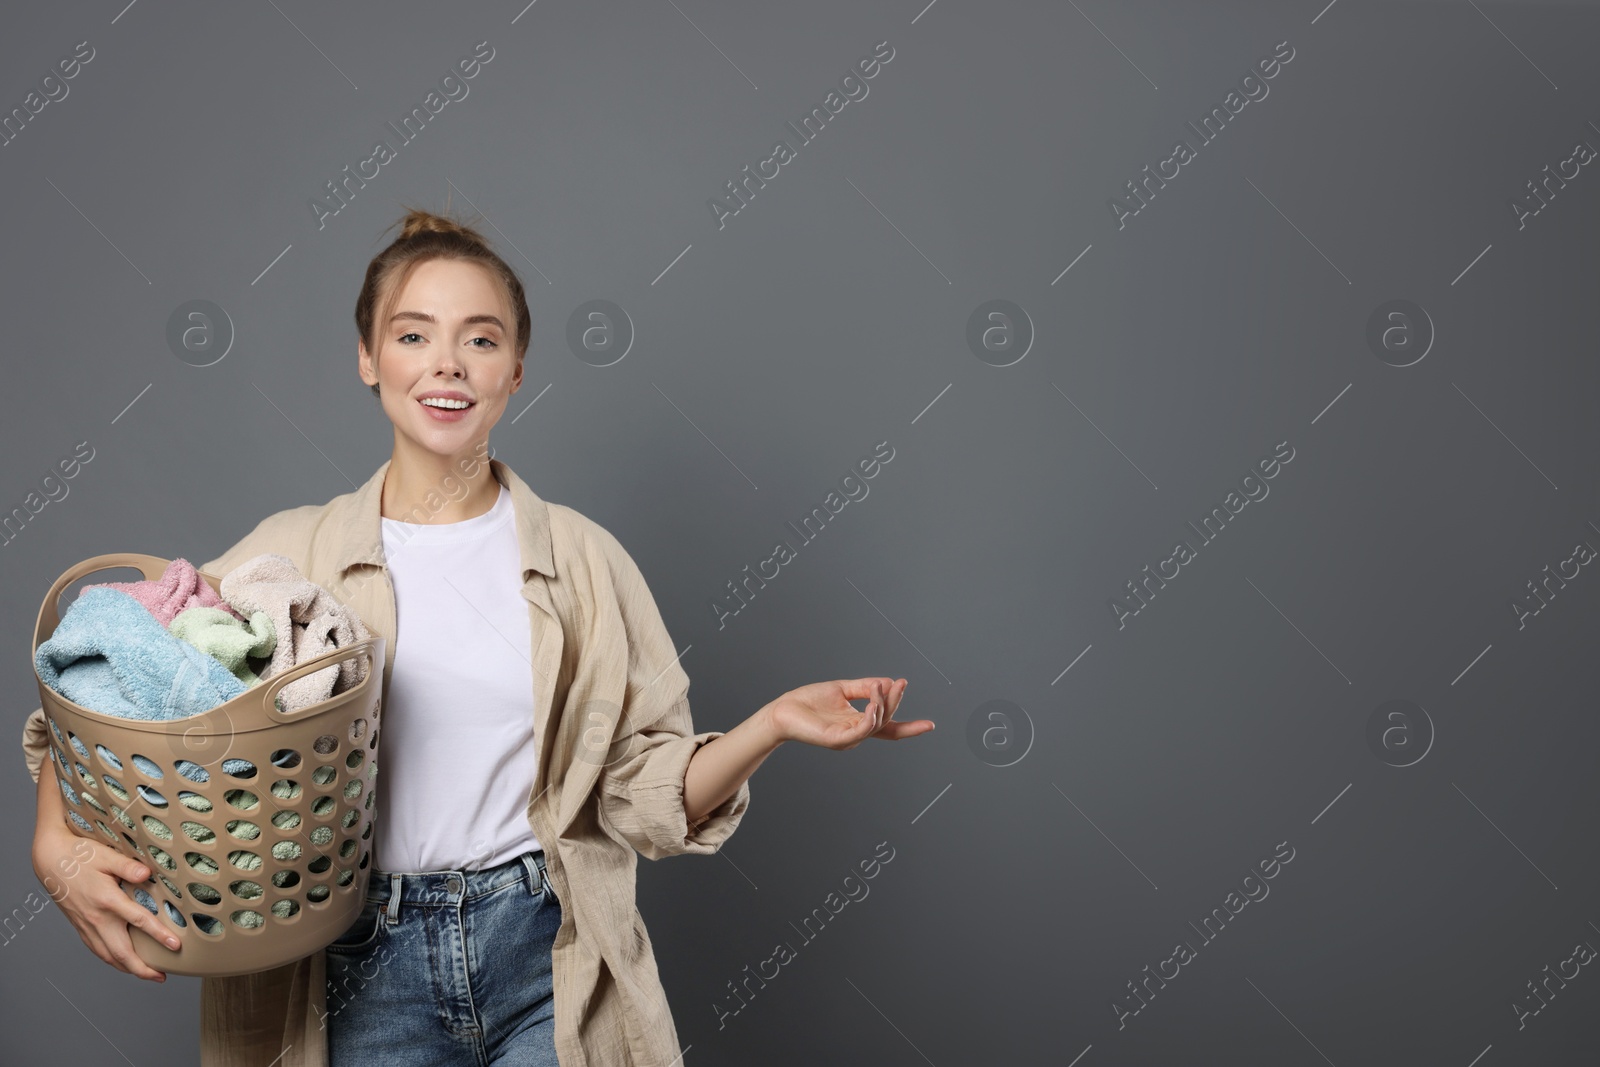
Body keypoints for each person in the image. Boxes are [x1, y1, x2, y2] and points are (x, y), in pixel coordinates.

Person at [24, 207, 932, 1066]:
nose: (446, 364)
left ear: (517, 369)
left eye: (481, 339)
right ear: (368, 359)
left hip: (547, 948)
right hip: (356, 964)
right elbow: (108, 678)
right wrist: (54, 843)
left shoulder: (584, 561)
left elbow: (641, 791)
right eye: (413, 334)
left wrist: (770, 723)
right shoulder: (285, 558)